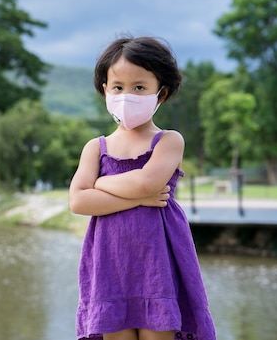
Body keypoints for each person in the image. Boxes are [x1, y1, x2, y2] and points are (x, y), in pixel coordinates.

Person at [69, 35, 216, 340]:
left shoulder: (168, 140)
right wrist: (139, 198)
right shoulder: (96, 148)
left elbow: (148, 182)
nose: (127, 95)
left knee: (157, 331)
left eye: (139, 87)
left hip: (157, 263)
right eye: (118, 87)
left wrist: (102, 184)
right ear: (104, 90)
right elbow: (79, 201)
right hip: (110, 264)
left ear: (160, 93)